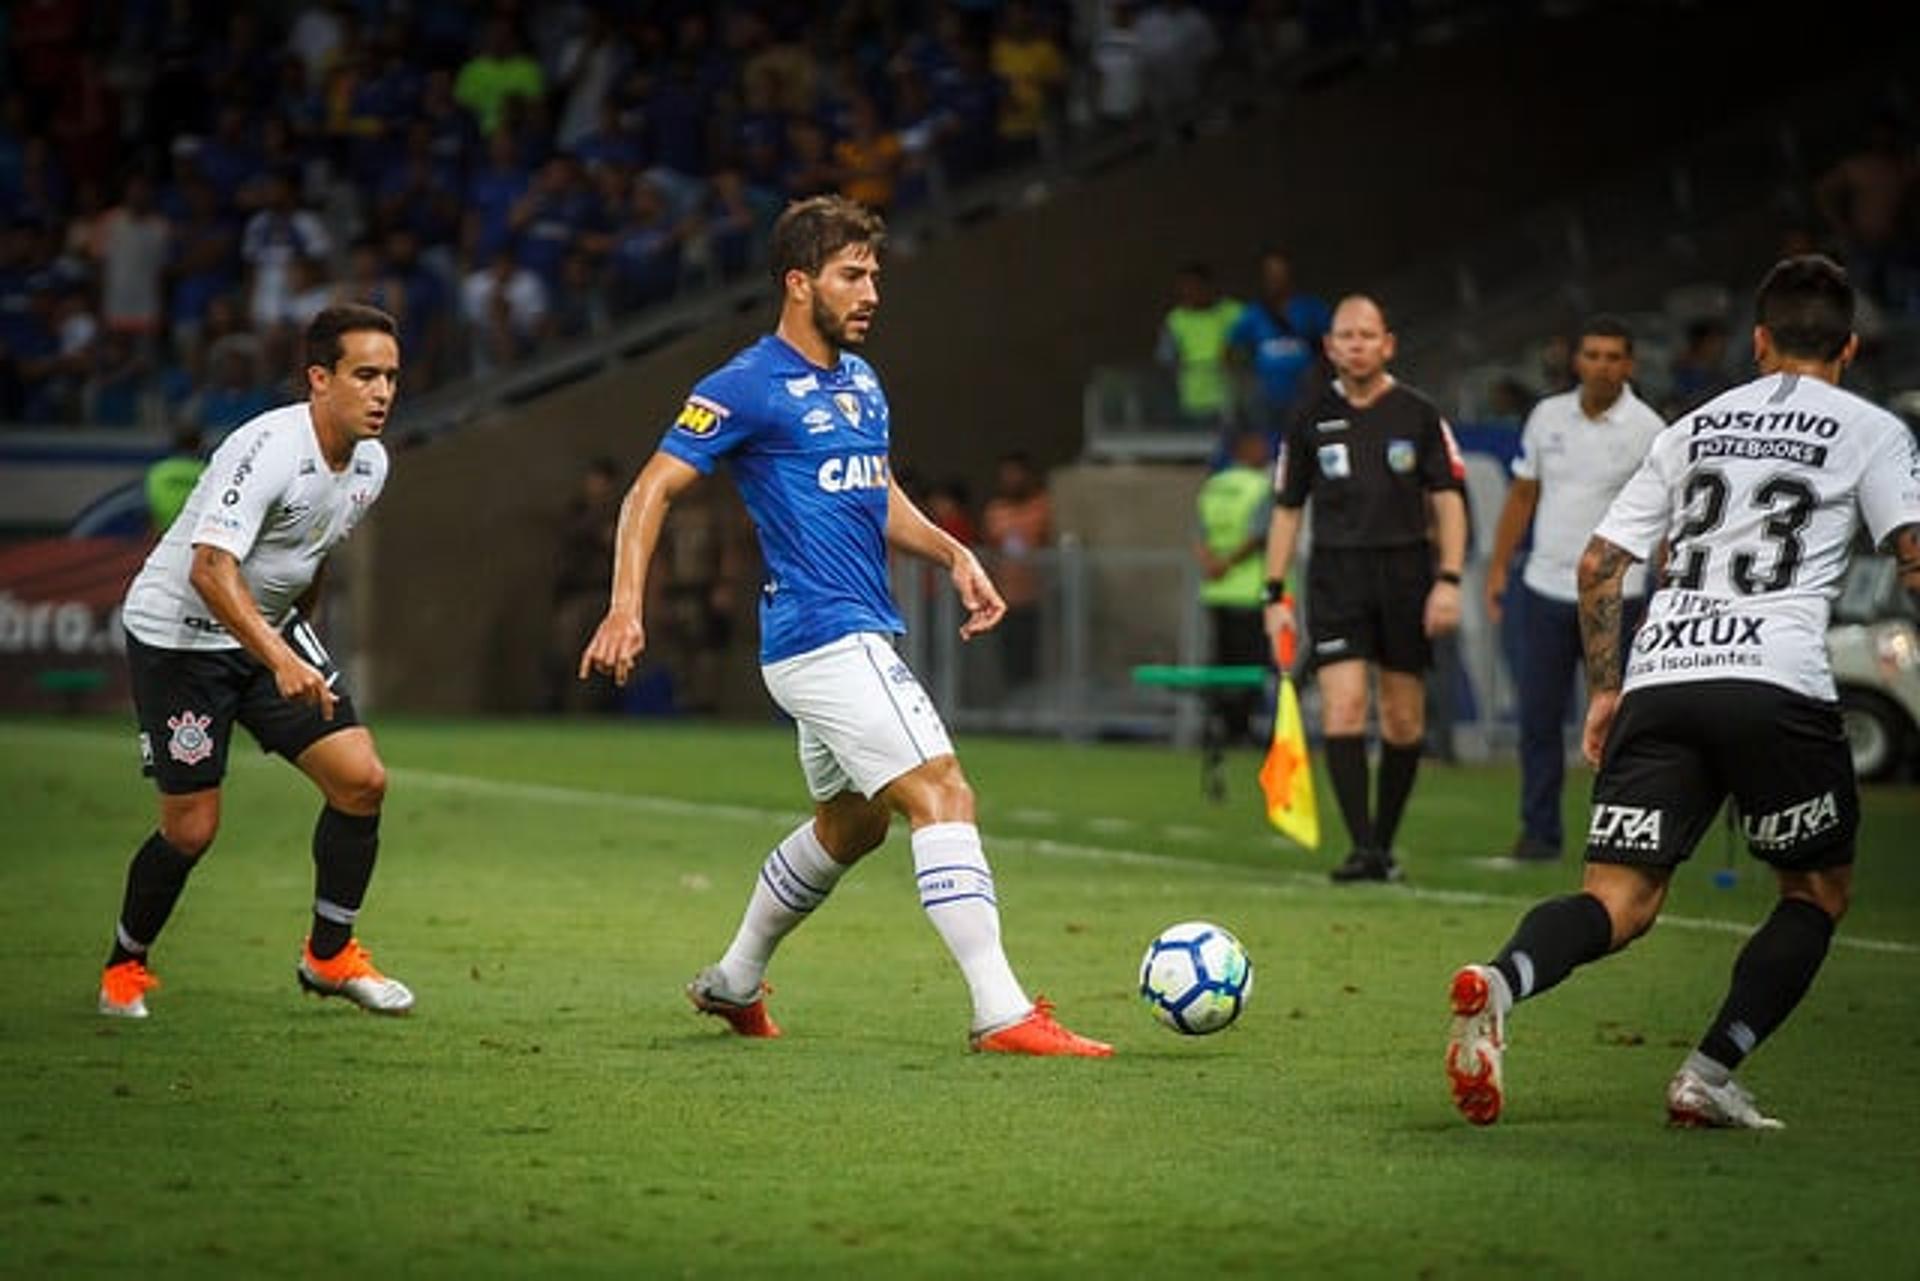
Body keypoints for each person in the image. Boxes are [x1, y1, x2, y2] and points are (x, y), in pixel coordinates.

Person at [578, 195, 1110, 1058]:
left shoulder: (861, 382)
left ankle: (736, 980)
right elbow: (651, 490)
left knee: (854, 824)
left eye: (875, 277)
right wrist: (626, 604)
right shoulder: (745, 384)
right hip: (826, 636)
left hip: (843, 637)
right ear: (798, 283)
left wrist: (953, 553)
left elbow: (876, 492)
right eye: (851, 276)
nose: (871, 294)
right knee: (943, 789)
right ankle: (1002, 1011)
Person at [1446, 255, 1920, 1130]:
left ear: (1760, 341)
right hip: (1776, 682)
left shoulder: (1693, 425)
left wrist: (1604, 691)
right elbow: (1912, 555)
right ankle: (1707, 1072)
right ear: (1851, 346)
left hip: (1662, 674)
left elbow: (1599, 564)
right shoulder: (1872, 429)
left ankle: (1502, 982)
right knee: (1814, 894)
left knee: (1617, 901)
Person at [98, 304, 412, 1020]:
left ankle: (330, 955)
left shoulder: (373, 462)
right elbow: (210, 569)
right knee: (191, 829)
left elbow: (313, 553)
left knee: (362, 780)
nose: (382, 392)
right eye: (365, 374)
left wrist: (296, 639)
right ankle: (125, 965)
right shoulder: (267, 446)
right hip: (180, 639)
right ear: (318, 379)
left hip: (269, 633)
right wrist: (280, 659)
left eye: (391, 376)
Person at [1261, 295, 1468, 882]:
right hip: (1335, 577)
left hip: (1406, 574)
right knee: (1345, 705)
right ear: (1329, 347)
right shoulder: (1307, 417)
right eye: (1345, 336)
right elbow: (1286, 509)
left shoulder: (1419, 414)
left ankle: (1383, 840)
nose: (1356, 345)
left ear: (1388, 344)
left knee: (1403, 719)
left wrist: (1448, 581)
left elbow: (1449, 500)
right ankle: (1363, 849)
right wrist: (1273, 595)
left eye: (1366, 335)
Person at [1484, 316, 1666, 862]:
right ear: (1576, 361)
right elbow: (1522, 496)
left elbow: (1665, 518)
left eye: (1614, 356)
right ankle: (1539, 834)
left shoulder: (1649, 429)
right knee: (1538, 719)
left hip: (1619, 594)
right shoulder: (1546, 416)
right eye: (1593, 354)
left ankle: (1618, 834)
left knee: (1621, 724)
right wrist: (1498, 569)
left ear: (1630, 365)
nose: (1602, 365)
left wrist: (1661, 589)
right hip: (1543, 585)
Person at [1194, 427, 1274, 745]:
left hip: (1216, 590)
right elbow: (1259, 535)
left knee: (1222, 661)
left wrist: (1212, 565)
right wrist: (1229, 563)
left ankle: (1221, 724)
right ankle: (1244, 726)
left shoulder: (1213, 486)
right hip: (1250, 591)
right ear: (1248, 447)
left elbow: (1199, 536)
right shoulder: (1260, 487)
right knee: (1251, 665)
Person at [1226, 250, 1331, 441]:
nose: (1276, 280)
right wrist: (1245, 381)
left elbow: (1330, 344)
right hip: (1266, 395)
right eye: (1270, 275)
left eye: (1280, 274)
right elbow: (1232, 348)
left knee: (1305, 440)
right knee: (1270, 442)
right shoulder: (1254, 313)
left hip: (1305, 392)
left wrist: (1319, 373)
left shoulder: (1311, 307)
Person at [980, 451, 1053, 693]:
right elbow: (989, 546)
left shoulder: (1041, 506)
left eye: (1016, 475)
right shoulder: (995, 511)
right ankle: (1009, 703)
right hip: (1002, 597)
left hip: (1034, 597)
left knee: (1032, 657)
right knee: (1006, 657)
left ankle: (1031, 706)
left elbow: (1049, 541)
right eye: (1007, 476)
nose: (1011, 480)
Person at [144, 425, 206, 538]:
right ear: (200, 444)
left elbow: (148, 510)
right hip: (200, 538)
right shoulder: (208, 472)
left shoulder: (159, 472)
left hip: (166, 536)